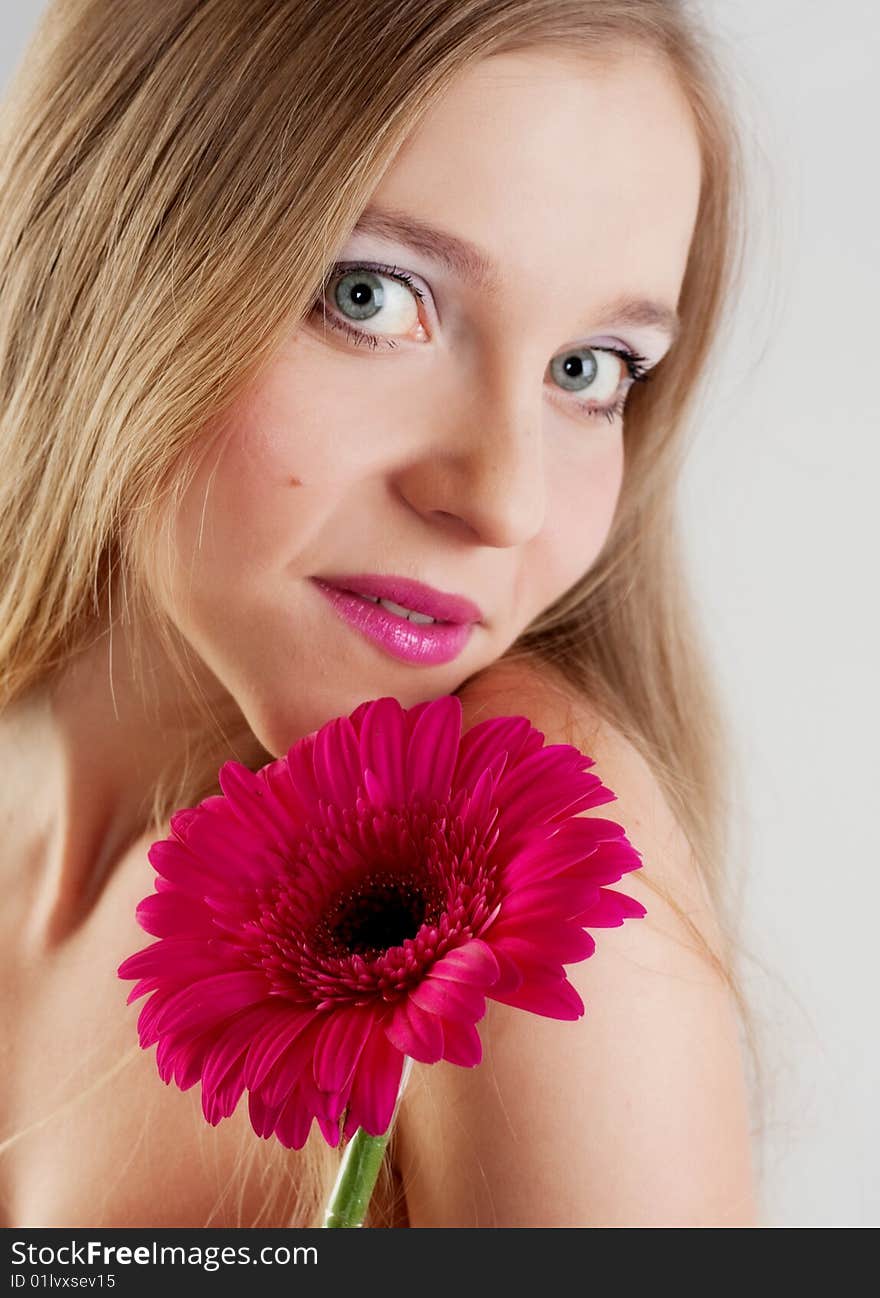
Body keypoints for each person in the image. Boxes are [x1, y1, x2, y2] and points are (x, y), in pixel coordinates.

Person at [0, 0, 761, 1227]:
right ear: (105, 256)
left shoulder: (527, 870)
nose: (501, 500)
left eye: (591, 368)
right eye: (371, 295)